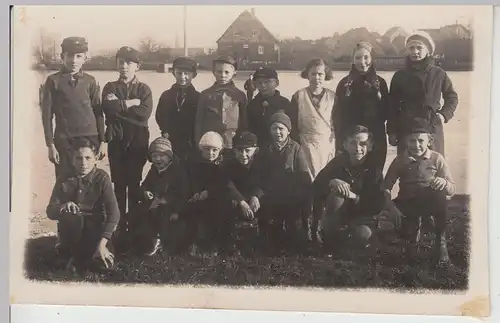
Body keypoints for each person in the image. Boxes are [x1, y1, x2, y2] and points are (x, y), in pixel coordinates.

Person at [383, 118, 455, 266]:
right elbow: (386, 187)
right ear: (406, 142)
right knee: (408, 243)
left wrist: (444, 182)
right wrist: (392, 208)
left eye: (420, 141)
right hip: (407, 203)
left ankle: (440, 241)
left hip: (428, 201)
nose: (416, 145)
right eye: (412, 141)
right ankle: (414, 228)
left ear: (429, 140)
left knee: (440, 192)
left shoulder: (437, 158)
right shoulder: (400, 160)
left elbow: (451, 189)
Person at [312, 125, 391, 255]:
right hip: (340, 213)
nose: (358, 148)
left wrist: (354, 196)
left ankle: (352, 239)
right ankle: (330, 237)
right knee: (336, 196)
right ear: (345, 145)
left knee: (362, 236)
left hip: (362, 216)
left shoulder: (374, 171)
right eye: (353, 143)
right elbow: (316, 185)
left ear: (370, 146)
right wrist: (331, 181)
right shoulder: (337, 162)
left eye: (363, 144)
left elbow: (376, 204)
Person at [101, 46, 153, 241]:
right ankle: (119, 224)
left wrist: (120, 106)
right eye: (121, 62)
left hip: (137, 140)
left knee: (134, 182)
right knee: (119, 183)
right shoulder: (109, 87)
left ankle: (134, 223)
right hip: (116, 139)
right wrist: (132, 103)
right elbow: (108, 109)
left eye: (129, 63)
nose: (124, 66)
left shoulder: (144, 89)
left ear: (137, 66)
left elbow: (145, 113)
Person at [46, 138, 119, 272]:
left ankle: (84, 256)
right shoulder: (64, 178)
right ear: (72, 160)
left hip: (96, 231)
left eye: (88, 158)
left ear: (96, 158)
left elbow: (114, 213)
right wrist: (62, 207)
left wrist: (102, 245)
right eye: (78, 158)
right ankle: (68, 252)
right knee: (70, 215)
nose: (83, 163)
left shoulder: (102, 178)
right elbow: (50, 210)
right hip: (73, 232)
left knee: (104, 267)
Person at [40, 37, 106, 179]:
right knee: (65, 182)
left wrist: (102, 141)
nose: (74, 60)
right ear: (62, 56)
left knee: (89, 181)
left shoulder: (90, 81)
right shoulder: (53, 81)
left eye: (79, 56)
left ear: (85, 58)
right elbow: (46, 116)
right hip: (65, 140)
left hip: (90, 138)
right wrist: (50, 145)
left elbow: (98, 112)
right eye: (70, 55)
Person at [387, 30, 459, 157]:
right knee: (407, 167)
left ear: (428, 50)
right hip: (407, 128)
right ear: (407, 51)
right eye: (411, 48)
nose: (415, 52)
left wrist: (443, 115)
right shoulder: (400, 76)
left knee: (433, 167)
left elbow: (452, 97)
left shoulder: (438, 73)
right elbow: (391, 106)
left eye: (419, 48)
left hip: (432, 128)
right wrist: (392, 132)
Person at [257, 111, 311, 253]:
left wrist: (298, 196)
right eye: (274, 128)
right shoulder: (265, 150)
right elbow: (259, 175)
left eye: (281, 128)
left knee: (294, 234)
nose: (277, 132)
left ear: (288, 131)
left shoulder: (296, 149)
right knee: (272, 234)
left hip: (291, 196)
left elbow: (304, 177)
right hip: (271, 196)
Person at [334, 42, 390, 173]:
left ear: (372, 59)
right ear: (353, 60)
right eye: (358, 58)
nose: (362, 62)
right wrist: (340, 141)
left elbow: (387, 111)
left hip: (376, 137)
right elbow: (338, 115)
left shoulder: (380, 83)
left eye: (366, 57)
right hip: (351, 139)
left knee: (374, 174)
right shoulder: (344, 84)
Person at [131, 136, 189, 256]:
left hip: (172, 206)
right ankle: (145, 240)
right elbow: (145, 185)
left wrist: (170, 204)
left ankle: (163, 243)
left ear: (169, 157)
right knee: (138, 213)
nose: (158, 159)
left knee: (165, 217)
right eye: (154, 156)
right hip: (155, 203)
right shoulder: (154, 170)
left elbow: (182, 193)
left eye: (162, 156)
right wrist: (145, 192)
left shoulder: (177, 172)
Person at [290, 59, 336, 181]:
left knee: (326, 178)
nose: (317, 77)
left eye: (320, 74)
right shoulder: (298, 96)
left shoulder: (333, 97)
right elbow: (293, 124)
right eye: (313, 74)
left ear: (326, 75)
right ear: (307, 75)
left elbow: (337, 122)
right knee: (307, 179)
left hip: (326, 144)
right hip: (305, 143)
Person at [217, 131, 263, 254]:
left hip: (254, 199)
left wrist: (255, 196)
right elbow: (227, 184)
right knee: (223, 205)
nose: (243, 155)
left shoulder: (260, 164)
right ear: (234, 151)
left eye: (247, 150)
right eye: (239, 150)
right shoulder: (228, 165)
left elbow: (262, 182)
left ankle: (260, 241)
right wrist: (241, 201)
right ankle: (228, 242)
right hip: (237, 199)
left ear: (255, 150)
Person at [193, 55, 248, 156]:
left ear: (234, 73)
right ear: (214, 72)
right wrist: (198, 142)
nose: (223, 75)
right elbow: (198, 122)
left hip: (232, 143)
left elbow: (244, 122)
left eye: (227, 72)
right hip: (210, 144)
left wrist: (242, 143)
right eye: (219, 72)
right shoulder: (205, 95)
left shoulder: (240, 95)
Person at [183, 131, 225, 255]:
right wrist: (196, 192)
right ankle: (194, 244)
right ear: (201, 150)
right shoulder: (196, 165)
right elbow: (193, 181)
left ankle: (212, 245)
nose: (210, 153)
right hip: (199, 198)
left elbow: (221, 183)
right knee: (193, 213)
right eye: (207, 149)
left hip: (215, 198)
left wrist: (209, 192)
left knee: (215, 215)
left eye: (214, 150)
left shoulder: (221, 166)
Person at [155, 57, 201, 161]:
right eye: (179, 73)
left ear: (194, 75)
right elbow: (159, 115)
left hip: (191, 142)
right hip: (170, 140)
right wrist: (165, 129)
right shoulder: (166, 95)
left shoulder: (198, 97)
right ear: (173, 73)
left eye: (186, 73)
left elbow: (201, 119)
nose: (182, 77)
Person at [247, 66, 294, 148]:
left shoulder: (285, 104)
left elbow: (293, 130)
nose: (263, 85)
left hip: (280, 147)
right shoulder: (252, 105)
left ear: (277, 83)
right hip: (258, 147)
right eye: (259, 82)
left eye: (267, 82)